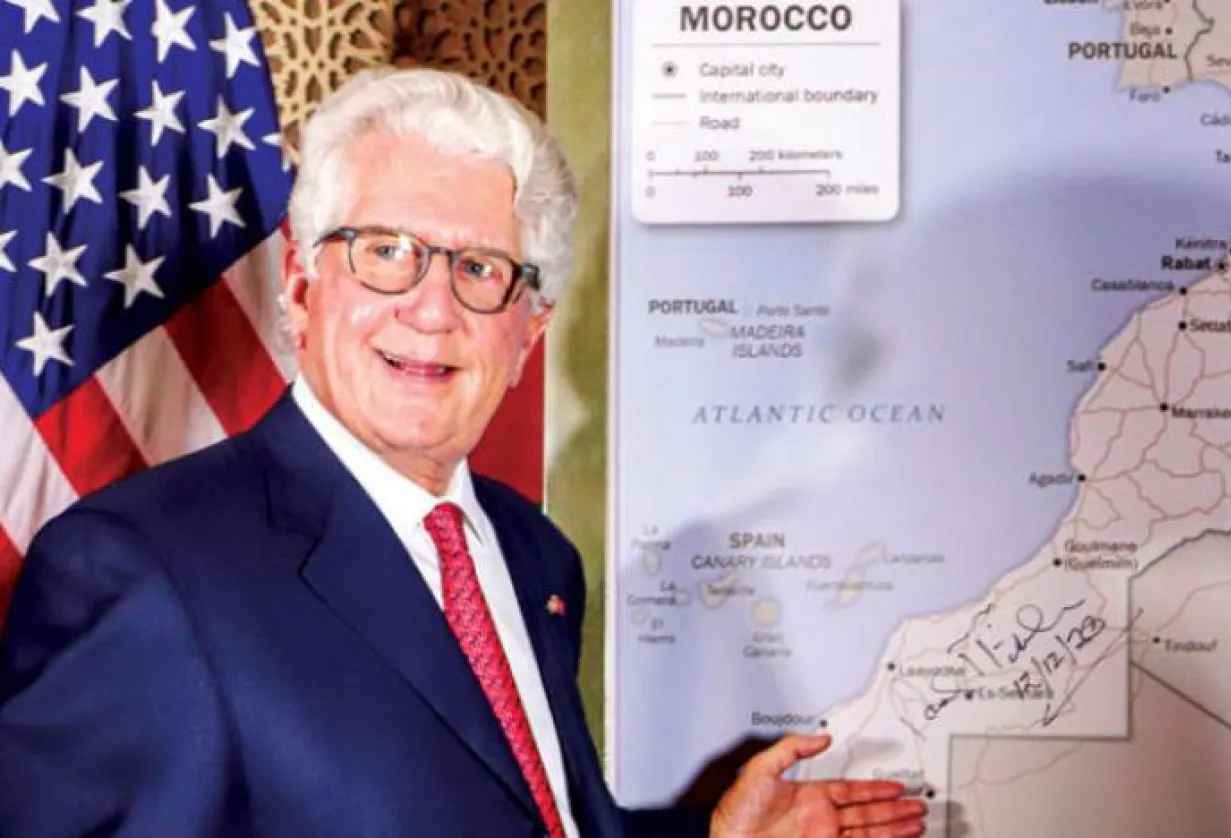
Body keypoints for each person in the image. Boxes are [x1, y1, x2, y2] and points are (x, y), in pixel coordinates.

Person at [0, 67, 928, 838]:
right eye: (386, 251)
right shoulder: (141, 568)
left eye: (480, 269)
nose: (433, 308)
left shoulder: (532, 555)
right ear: (301, 284)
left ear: (529, 330)